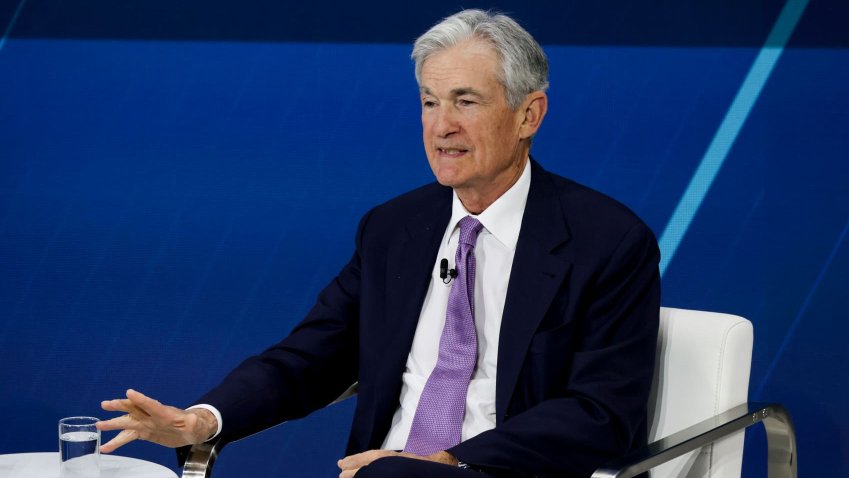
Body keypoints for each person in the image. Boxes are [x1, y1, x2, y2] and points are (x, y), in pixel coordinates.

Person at [97, 9, 660, 478]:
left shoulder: (607, 241)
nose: (441, 127)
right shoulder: (394, 228)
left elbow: (600, 412)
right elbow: (311, 356)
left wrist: (444, 462)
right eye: (429, 101)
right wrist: (202, 420)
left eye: (466, 101)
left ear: (528, 115)